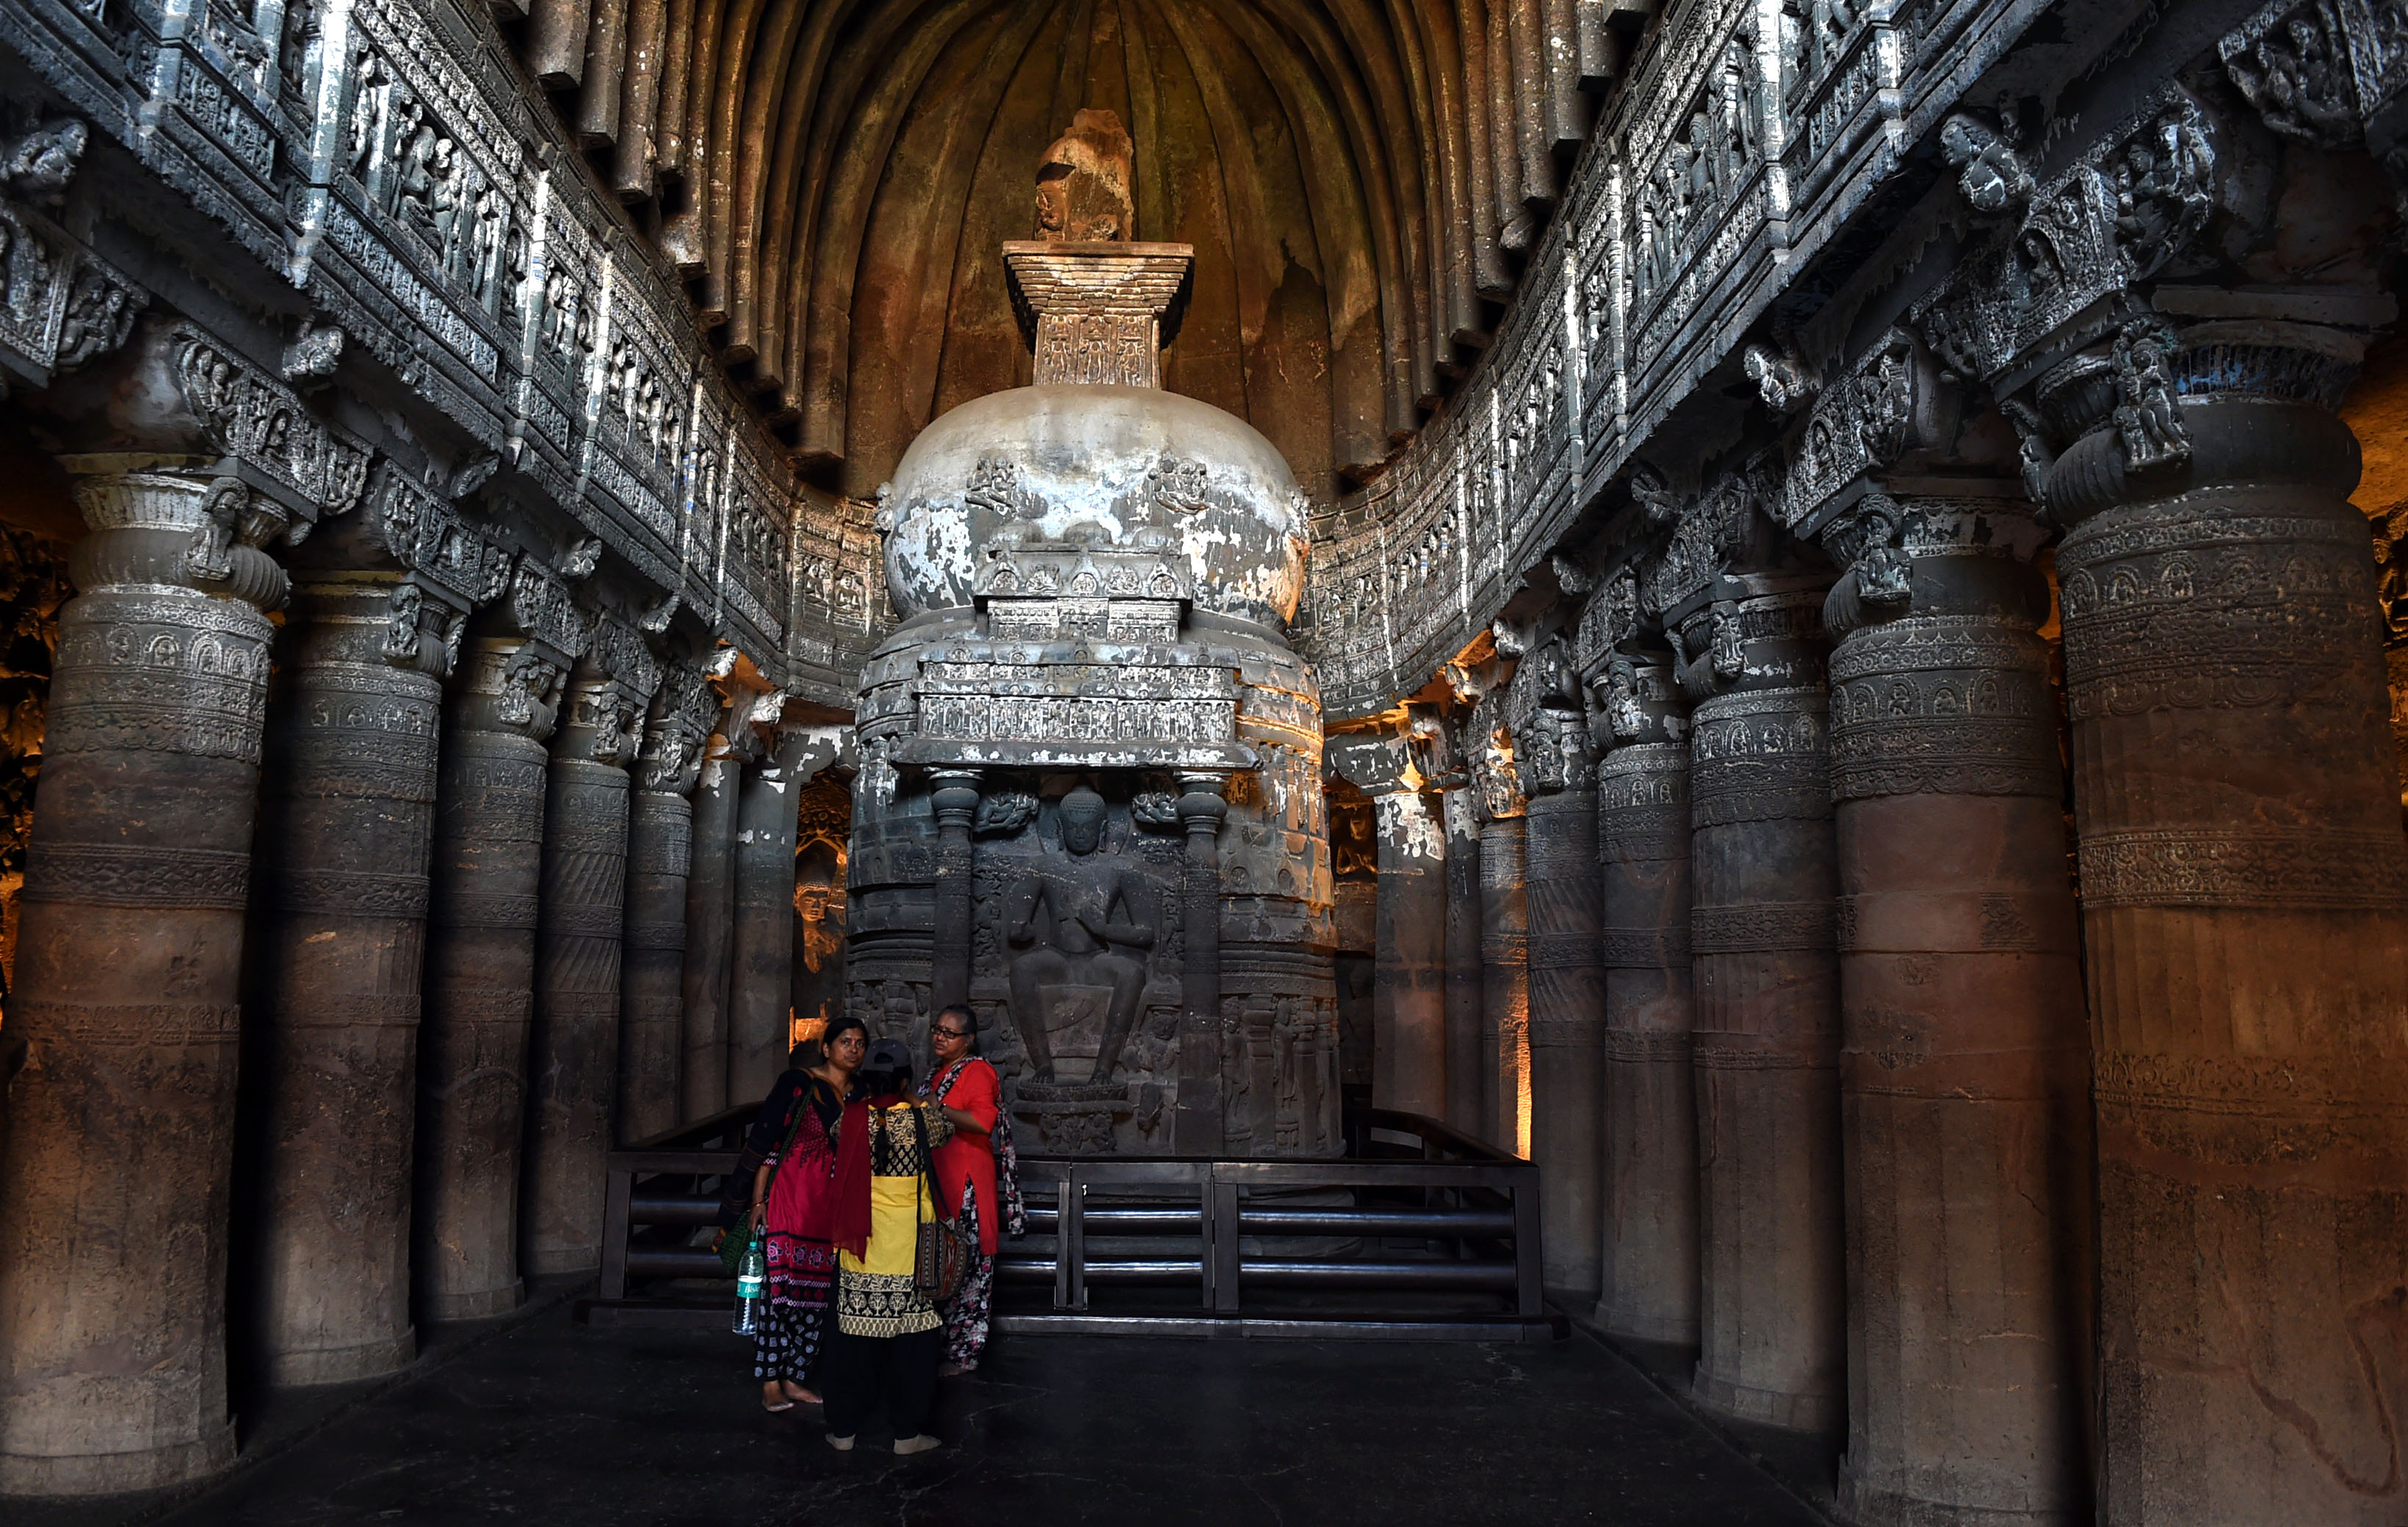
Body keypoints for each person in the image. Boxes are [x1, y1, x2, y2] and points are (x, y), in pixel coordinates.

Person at [825, 1037, 955, 1455]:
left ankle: (843, 1431)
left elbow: (833, 1140)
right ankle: (906, 1435)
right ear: (903, 1080)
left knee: (851, 1345)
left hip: (860, 1249)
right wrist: (917, 1101)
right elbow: (947, 1129)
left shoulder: (848, 1120)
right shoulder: (922, 1122)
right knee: (912, 1348)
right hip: (911, 1251)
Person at [749, 1016, 865, 1412]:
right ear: (827, 1048)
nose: (853, 1048)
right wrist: (758, 1201)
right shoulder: (798, 1084)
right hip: (788, 1199)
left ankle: (796, 1377)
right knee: (776, 1295)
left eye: (860, 1043)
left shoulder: (861, 1095)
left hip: (830, 1207)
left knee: (818, 1298)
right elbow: (769, 1142)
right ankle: (769, 1382)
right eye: (845, 1041)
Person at [918, 1004, 1024, 1374]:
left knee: (969, 1265)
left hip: (965, 1184)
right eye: (937, 1029)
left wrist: (939, 1108)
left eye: (949, 1033)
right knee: (939, 1264)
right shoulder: (937, 1073)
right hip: (939, 1181)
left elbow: (982, 1122)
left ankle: (964, 1355)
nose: (940, 1037)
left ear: (969, 1040)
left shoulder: (978, 1072)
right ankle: (935, 1346)